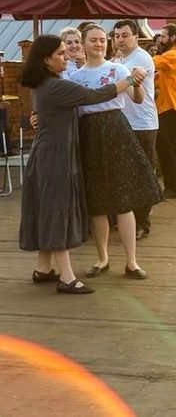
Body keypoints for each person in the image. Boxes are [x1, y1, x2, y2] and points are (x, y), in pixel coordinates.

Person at [19, 35, 144, 295]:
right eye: (61, 54)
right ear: (46, 60)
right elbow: (96, 95)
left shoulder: (45, 83)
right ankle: (67, 277)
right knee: (57, 212)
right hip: (55, 159)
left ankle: (43, 268)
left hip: (47, 156)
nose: (68, 57)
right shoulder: (56, 86)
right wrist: (131, 80)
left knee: (48, 210)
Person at [71, 24, 162, 280]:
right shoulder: (76, 78)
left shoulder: (118, 69)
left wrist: (138, 83)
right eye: (93, 40)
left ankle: (132, 261)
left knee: (124, 199)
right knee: (97, 201)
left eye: (102, 40)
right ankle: (102, 258)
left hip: (117, 129)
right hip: (89, 133)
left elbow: (138, 99)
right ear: (84, 43)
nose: (98, 44)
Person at [112, 19, 161, 240]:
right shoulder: (118, 59)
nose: (120, 39)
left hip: (142, 123)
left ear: (135, 36)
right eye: (117, 36)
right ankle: (126, 218)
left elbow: (125, 81)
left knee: (142, 172)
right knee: (124, 172)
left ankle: (143, 222)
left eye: (124, 35)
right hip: (124, 122)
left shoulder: (140, 58)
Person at [153, 24, 176, 198]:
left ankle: (174, 187)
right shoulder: (174, 56)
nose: (160, 39)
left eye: (163, 36)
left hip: (171, 107)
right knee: (170, 149)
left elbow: (150, 62)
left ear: (173, 38)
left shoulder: (173, 55)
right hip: (171, 106)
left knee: (166, 148)